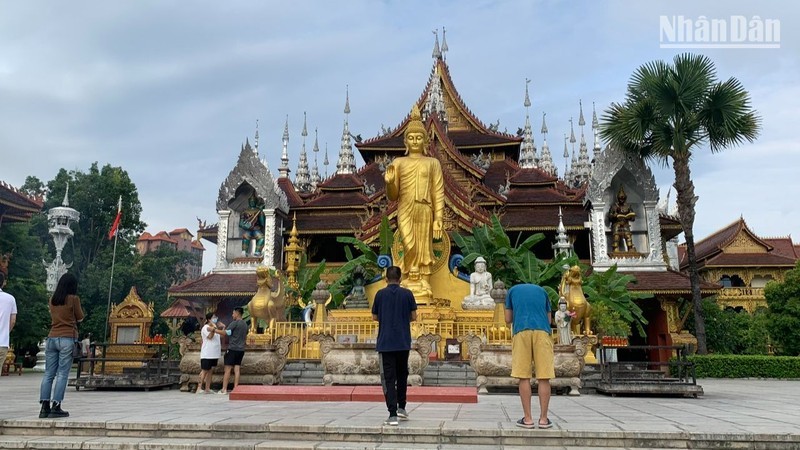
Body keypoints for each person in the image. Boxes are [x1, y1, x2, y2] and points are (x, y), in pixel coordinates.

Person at [384, 104, 444, 280]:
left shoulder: (433, 163)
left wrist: (438, 219)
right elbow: (393, 196)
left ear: (425, 141)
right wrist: (389, 183)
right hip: (405, 208)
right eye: (411, 137)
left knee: (424, 247)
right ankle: (407, 276)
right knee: (408, 243)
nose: (415, 141)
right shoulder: (398, 162)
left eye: (419, 137)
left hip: (425, 208)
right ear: (406, 142)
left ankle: (424, 281)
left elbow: (438, 192)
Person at [372, 266, 417, 426]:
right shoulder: (408, 294)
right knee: (402, 374)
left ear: (386, 278)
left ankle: (392, 414)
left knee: (389, 378)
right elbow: (413, 316)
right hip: (403, 341)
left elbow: (375, 317)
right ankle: (402, 407)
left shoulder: (379, 294)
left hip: (385, 342)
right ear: (401, 278)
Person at [504, 283, 554, 429]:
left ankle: (528, 419)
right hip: (542, 333)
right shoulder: (543, 291)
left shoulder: (512, 291)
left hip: (521, 331)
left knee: (524, 376)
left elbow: (508, 319)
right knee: (544, 377)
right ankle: (544, 419)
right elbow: (549, 320)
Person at [39, 273, 84, 419]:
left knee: (48, 374)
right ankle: (56, 405)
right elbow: (80, 317)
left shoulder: (52, 299)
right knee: (62, 373)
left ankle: (44, 406)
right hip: (67, 338)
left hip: (52, 337)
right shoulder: (73, 299)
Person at [219, 307, 248, 394]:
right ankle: (236, 388)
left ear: (237, 313)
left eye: (233, 313)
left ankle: (224, 389)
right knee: (237, 369)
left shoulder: (234, 323)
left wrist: (214, 330)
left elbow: (226, 333)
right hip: (241, 350)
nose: (232, 315)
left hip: (232, 349)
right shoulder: (245, 325)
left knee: (227, 369)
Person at [198, 313, 226, 394]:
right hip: (207, 353)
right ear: (209, 319)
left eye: (216, 317)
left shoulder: (215, 328)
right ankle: (199, 388)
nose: (216, 318)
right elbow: (210, 337)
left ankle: (207, 388)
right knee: (204, 371)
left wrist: (223, 327)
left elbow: (222, 336)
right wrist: (213, 328)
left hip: (214, 353)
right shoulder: (205, 327)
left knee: (210, 371)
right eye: (214, 317)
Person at [608, 186, 636, 252]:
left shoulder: (628, 206)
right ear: (618, 198)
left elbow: (633, 217)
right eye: (620, 198)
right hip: (617, 223)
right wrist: (614, 216)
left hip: (625, 223)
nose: (622, 200)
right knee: (616, 236)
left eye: (623, 198)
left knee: (628, 235)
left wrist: (630, 216)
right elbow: (610, 217)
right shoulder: (614, 206)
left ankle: (630, 248)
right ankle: (615, 248)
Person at [0, 272, 17, 368]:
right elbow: (13, 321)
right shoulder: (10, 299)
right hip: (2, 341)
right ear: (3, 283)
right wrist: (6, 331)